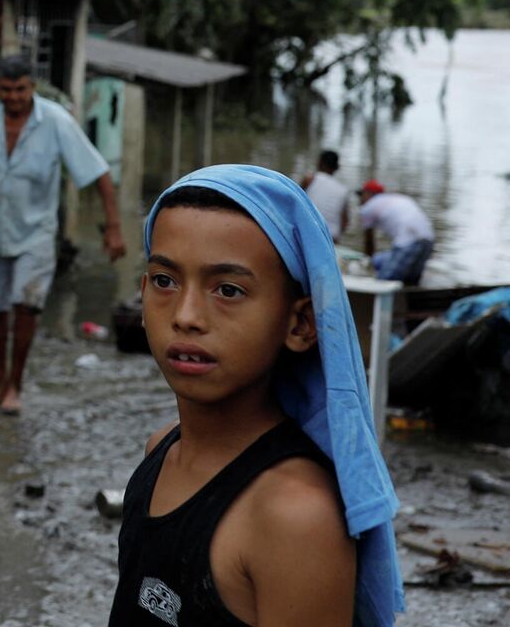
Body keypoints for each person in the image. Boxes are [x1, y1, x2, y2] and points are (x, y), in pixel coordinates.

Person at [112, 164, 403, 627]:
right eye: (165, 281)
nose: (186, 316)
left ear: (301, 324)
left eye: (228, 289)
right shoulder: (160, 451)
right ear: (143, 290)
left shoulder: (295, 517)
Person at [0, 55, 125, 415]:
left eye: (20, 89)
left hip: (35, 233)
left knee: (27, 307)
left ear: (32, 87)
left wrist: (113, 227)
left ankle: (15, 385)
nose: (13, 96)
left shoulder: (56, 121)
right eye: (6, 90)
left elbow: (98, 173)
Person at [357, 181, 436, 286]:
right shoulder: (398, 198)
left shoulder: (368, 208)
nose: (360, 199)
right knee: (411, 282)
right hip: (428, 238)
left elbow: (369, 240)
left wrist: (368, 263)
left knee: (385, 281)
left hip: (409, 239)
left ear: (368, 193)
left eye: (361, 195)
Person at [299, 149, 353, 239]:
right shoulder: (343, 190)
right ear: (337, 167)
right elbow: (345, 222)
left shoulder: (309, 180)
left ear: (319, 163)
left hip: (308, 232)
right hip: (331, 237)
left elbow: (295, 203)